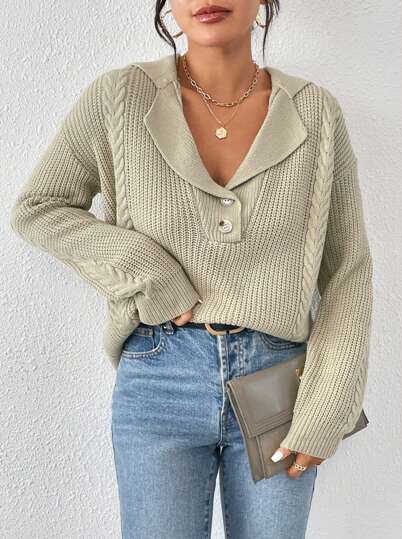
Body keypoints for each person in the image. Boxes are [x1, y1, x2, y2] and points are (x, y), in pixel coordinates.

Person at [10, 1, 373, 538]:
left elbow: (348, 270)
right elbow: (39, 207)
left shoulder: (315, 112)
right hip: (159, 376)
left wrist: (331, 401)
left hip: (278, 383)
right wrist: (145, 269)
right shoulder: (120, 97)